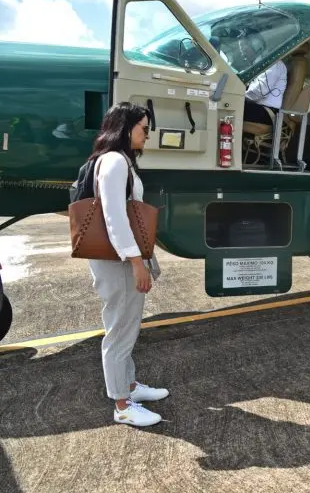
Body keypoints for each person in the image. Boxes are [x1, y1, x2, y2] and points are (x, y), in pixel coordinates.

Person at [87, 102, 168, 427]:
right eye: (143, 129)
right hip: (118, 260)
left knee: (126, 326)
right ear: (125, 128)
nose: (146, 136)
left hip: (118, 257)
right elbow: (115, 217)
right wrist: (136, 262)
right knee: (120, 331)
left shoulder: (114, 161)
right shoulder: (114, 161)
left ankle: (130, 387)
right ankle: (121, 405)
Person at [244, 59, 288, 125]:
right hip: (258, 107)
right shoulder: (261, 61)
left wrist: (239, 97)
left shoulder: (273, 63)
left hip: (267, 111)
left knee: (234, 104)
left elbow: (258, 92)